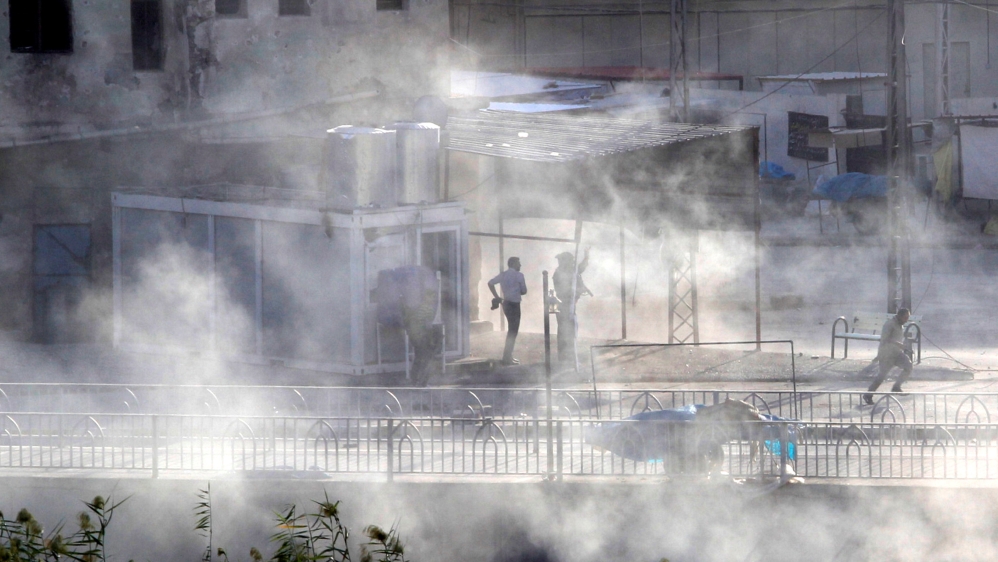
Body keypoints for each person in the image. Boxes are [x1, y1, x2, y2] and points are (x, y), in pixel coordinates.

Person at [862, 308, 913, 405]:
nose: (906, 320)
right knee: (881, 376)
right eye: (905, 317)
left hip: (897, 353)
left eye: (908, 318)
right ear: (900, 316)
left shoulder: (900, 325)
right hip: (886, 354)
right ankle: (868, 394)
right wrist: (899, 344)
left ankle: (896, 387)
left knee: (908, 366)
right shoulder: (889, 324)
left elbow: (898, 339)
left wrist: (904, 347)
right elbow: (886, 339)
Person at [553, 248, 591, 366]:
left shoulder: (562, 271)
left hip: (565, 304)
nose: (573, 262)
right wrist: (586, 256)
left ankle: (564, 357)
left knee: (564, 330)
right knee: (570, 331)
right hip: (566, 304)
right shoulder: (564, 272)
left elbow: (579, 270)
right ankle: (570, 358)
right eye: (571, 260)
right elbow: (580, 269)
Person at [488, 257, 527, 366]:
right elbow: (524, 291)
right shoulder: (519, 275)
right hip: (515, 304)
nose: (520, 265)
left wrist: (497, 297)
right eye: (519, 263)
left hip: (505, 303)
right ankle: (507, 357)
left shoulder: (503, 274)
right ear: (514, 264)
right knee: (513, 331)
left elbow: (490, 283)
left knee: (511, 330)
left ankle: (508, 356)